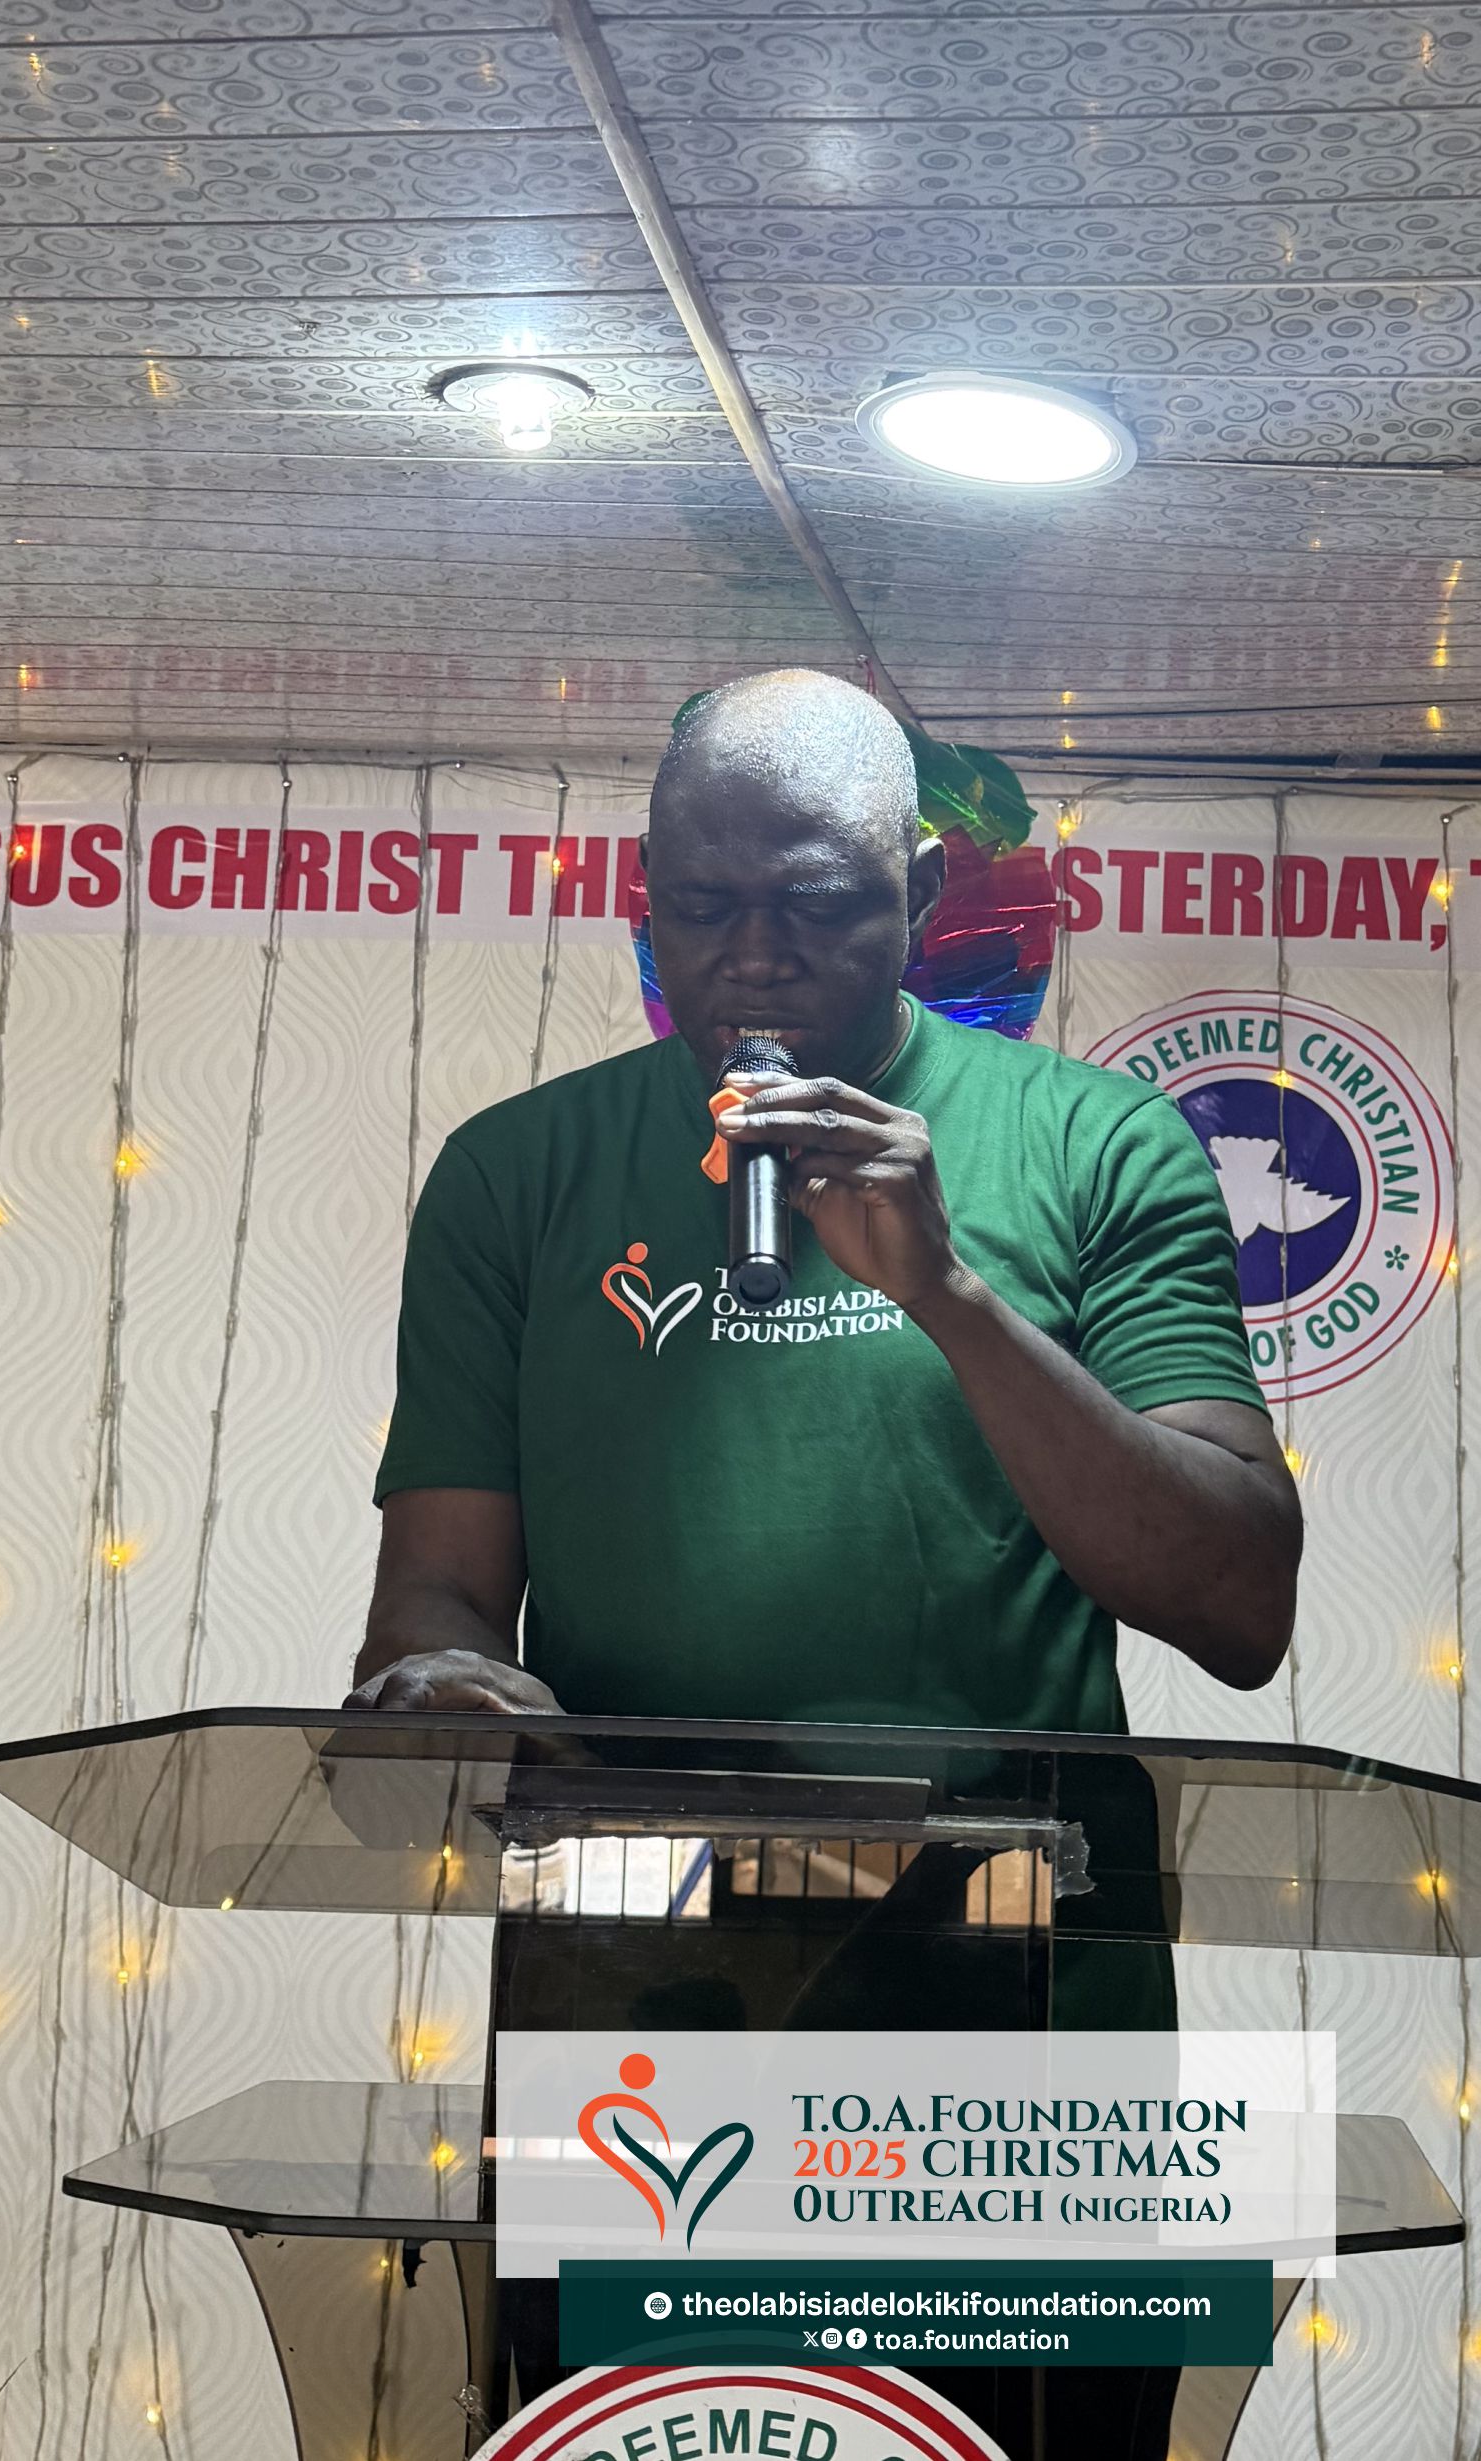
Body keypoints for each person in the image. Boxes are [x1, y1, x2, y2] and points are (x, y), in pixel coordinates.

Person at [351, 668, 1303, 2458]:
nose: (753, 960)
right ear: (643, 897)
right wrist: (444, 1681)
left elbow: (1237, 1600)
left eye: (813, 905)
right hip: (643, 2029)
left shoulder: (1097, 1145)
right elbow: (437, 1594)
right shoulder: (514, 1174)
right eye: (701, 906)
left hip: (1027, 2040)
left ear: (922, 897)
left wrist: (947, 1291)